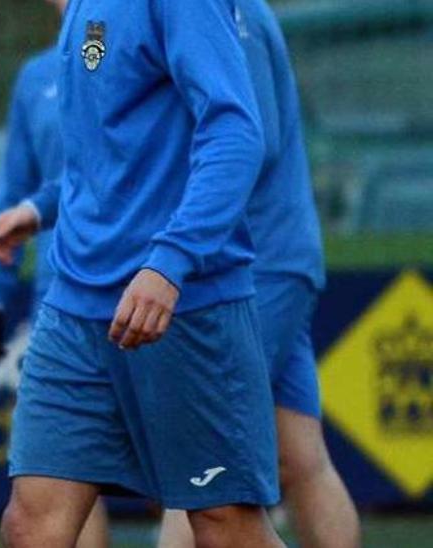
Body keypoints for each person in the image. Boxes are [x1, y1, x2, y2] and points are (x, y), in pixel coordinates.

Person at [0, 0, 287, 545]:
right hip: (72, 305)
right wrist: (40, 209)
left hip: (186, 307)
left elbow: (236, 132)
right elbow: (107, 150)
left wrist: (170, 262)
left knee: (225, 526)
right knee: (29, 525)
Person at [156, 0, 360, 546]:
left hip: (257, 266)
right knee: (302, 459)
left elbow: (252, 138)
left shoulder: (225, 13)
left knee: (199, 469)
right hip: (274, 261)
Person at [0, 5, 109, 548]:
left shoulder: (148, 34)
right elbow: (32, 183)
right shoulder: (40, 74)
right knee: (57, 488)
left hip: (152, 294)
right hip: (62, 298)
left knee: (202, 499)